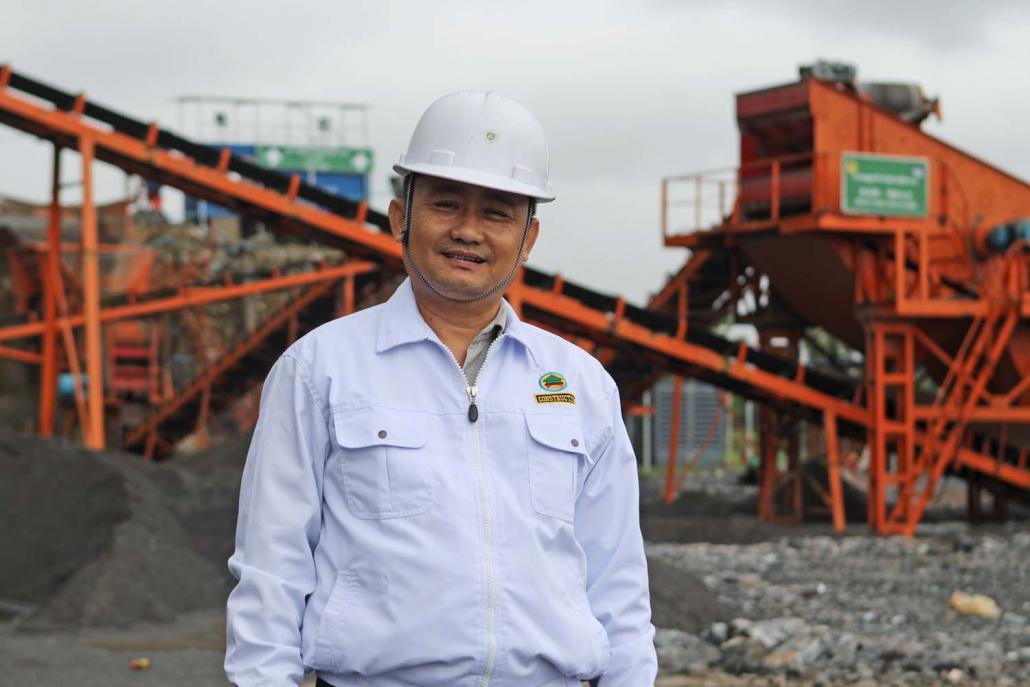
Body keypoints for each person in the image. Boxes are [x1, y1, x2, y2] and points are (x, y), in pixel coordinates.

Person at [225, 91, 657, 687]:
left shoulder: (581, 385)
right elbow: (270, 571)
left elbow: (619, 584)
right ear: (401, 218)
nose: (469, 232)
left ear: (528, 239)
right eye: (446, 204)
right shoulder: (319, 369)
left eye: (498, 213)